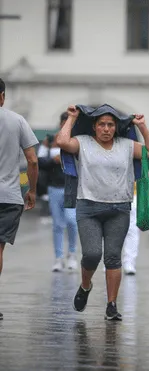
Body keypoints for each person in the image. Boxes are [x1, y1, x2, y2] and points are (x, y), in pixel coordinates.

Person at [57, 104, 149, 321]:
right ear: (94, 127)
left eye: (110, 125)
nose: (106, 128)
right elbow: (62, 142)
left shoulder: (126, 145)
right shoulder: (83, 142)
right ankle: (85, 286)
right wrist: (72, 118)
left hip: (119, 208)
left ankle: (111, 305)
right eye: (101, 124)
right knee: (92, 254)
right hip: (88, 207)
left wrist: (142, 126)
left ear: (116, 128)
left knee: (113, 257)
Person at [0, 78, 39, 320]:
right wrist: (31, 190)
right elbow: (32, 160)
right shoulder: (17, 120)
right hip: (8, 196)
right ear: (2, 96)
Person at [39, 112, 79, 272]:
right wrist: (53, 161)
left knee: (71, 221)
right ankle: (58, 257)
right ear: (61, 123)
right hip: (54, 187)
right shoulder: (49, 140)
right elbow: (39, 161)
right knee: (57, 224)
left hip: (71, 187)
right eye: (64, 122)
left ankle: (72, 254)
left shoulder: (76, 141)